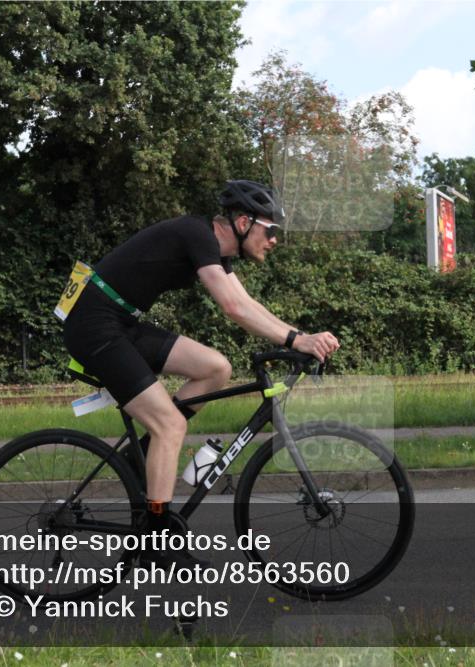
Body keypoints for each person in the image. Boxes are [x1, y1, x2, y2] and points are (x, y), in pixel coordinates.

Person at [62, 180, 340, 566]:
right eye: (271, 230)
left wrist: (299, 337)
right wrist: (296, 341)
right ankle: (154, 542)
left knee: (216, 367)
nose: (275, 239)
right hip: (93, 326)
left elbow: (247, 302)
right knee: (170, 426)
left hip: (119, 322)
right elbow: (232, 308)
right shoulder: (197, 235)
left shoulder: (217, 253)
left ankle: (139, 458)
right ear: (243, 222)